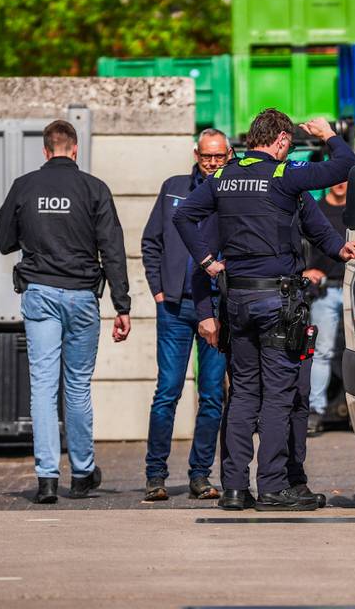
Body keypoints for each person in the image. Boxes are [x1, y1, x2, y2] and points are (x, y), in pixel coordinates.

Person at [173, 110, 355, 511]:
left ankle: (235, 487)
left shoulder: (223, 177)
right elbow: (346, 166)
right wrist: (328, 134)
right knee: (278, 395)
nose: (287, 150)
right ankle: (273, 485)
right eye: (287, 144)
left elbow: (183, 215)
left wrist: (207, 262)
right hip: (277, 302)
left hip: (236, 302)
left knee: (242, 394)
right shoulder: (283, 174)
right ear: (277, 141)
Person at [0, 120, 132, 505]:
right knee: (76, 386)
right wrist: (122, 305)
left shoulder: (25, 186)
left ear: (45, 151)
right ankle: (84, 472)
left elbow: (5, 242)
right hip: (82, 297)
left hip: (39, 294)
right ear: (75, 150)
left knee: (42, 385)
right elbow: (113, 250)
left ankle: (47, 478)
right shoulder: (94, 189)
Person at [139, 129, 231, 502]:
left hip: (216, 307)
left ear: (229, 154)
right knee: (167, 392)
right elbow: (151, 241)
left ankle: (200, 475)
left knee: (211, 396)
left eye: (218, 157)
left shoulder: (232, 192)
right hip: (175, 307)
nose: (211, 163)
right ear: (196, 154)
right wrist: (159, 291)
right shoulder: (174, 187)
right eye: (206, 156)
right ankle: (155, 475)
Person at [302, 180, 349, 435]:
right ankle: (316, 411)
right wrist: (304, 270)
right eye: (336, 179)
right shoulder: (315, 211)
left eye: (346, 179)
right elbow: (296, 246)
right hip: (325, 290)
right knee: (322, 352)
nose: (340, 184)